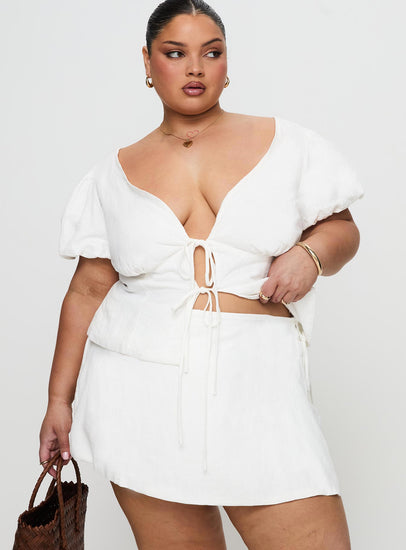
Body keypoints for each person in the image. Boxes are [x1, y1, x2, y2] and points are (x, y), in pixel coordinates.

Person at [39, 1, 364, 548]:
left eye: (211, 53)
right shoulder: (110, 176)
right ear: (147, 62)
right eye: (175, 53)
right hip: (138, 392)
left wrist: (310, 256)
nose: (195, 68)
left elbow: (342, 230)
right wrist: (58, 401)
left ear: (227, 64)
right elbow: (89, 289)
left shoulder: (287, 144)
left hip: (258, 384)